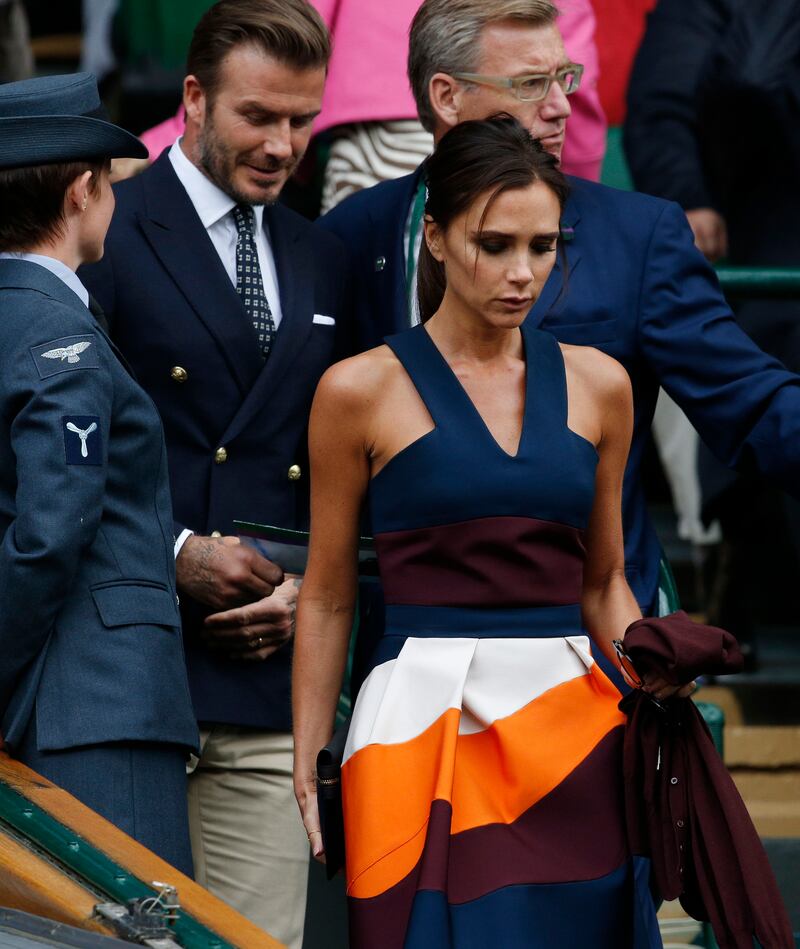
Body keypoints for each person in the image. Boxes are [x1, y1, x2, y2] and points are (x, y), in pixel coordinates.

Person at [294, 115, 686, 948]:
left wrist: (656, 684)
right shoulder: (356, 389)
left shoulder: (601, 383)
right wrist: (310, 753)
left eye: (543, 246)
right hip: (413, 725)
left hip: (573, 726)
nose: (523, 272)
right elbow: (327, 595)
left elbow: (604, 582)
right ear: (433, 236)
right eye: (494, 243)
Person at [317, 0, 800, 630]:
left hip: (586, 638)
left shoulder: (638, 236)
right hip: (408, 647)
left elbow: (750, 399)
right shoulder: (355, 234)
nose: (560, 106)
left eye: (564, 78)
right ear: (446, 95)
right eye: (529, 84)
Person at [80, 2, 350, 944]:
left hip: (269, 681)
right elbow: (53, 455)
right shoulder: (104, 231)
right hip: (131, 675)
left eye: (303, 120)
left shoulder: (321, 255)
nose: (283, 145)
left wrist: (315, 584)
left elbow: (346, 464)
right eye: (258, 116)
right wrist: (178, 551)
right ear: (192, 98)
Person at [0, 73, 198, 875]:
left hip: (62, 701)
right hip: (94, 708)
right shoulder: (59, 332)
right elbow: (50, 532)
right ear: (83, 188)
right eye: (111, 180)